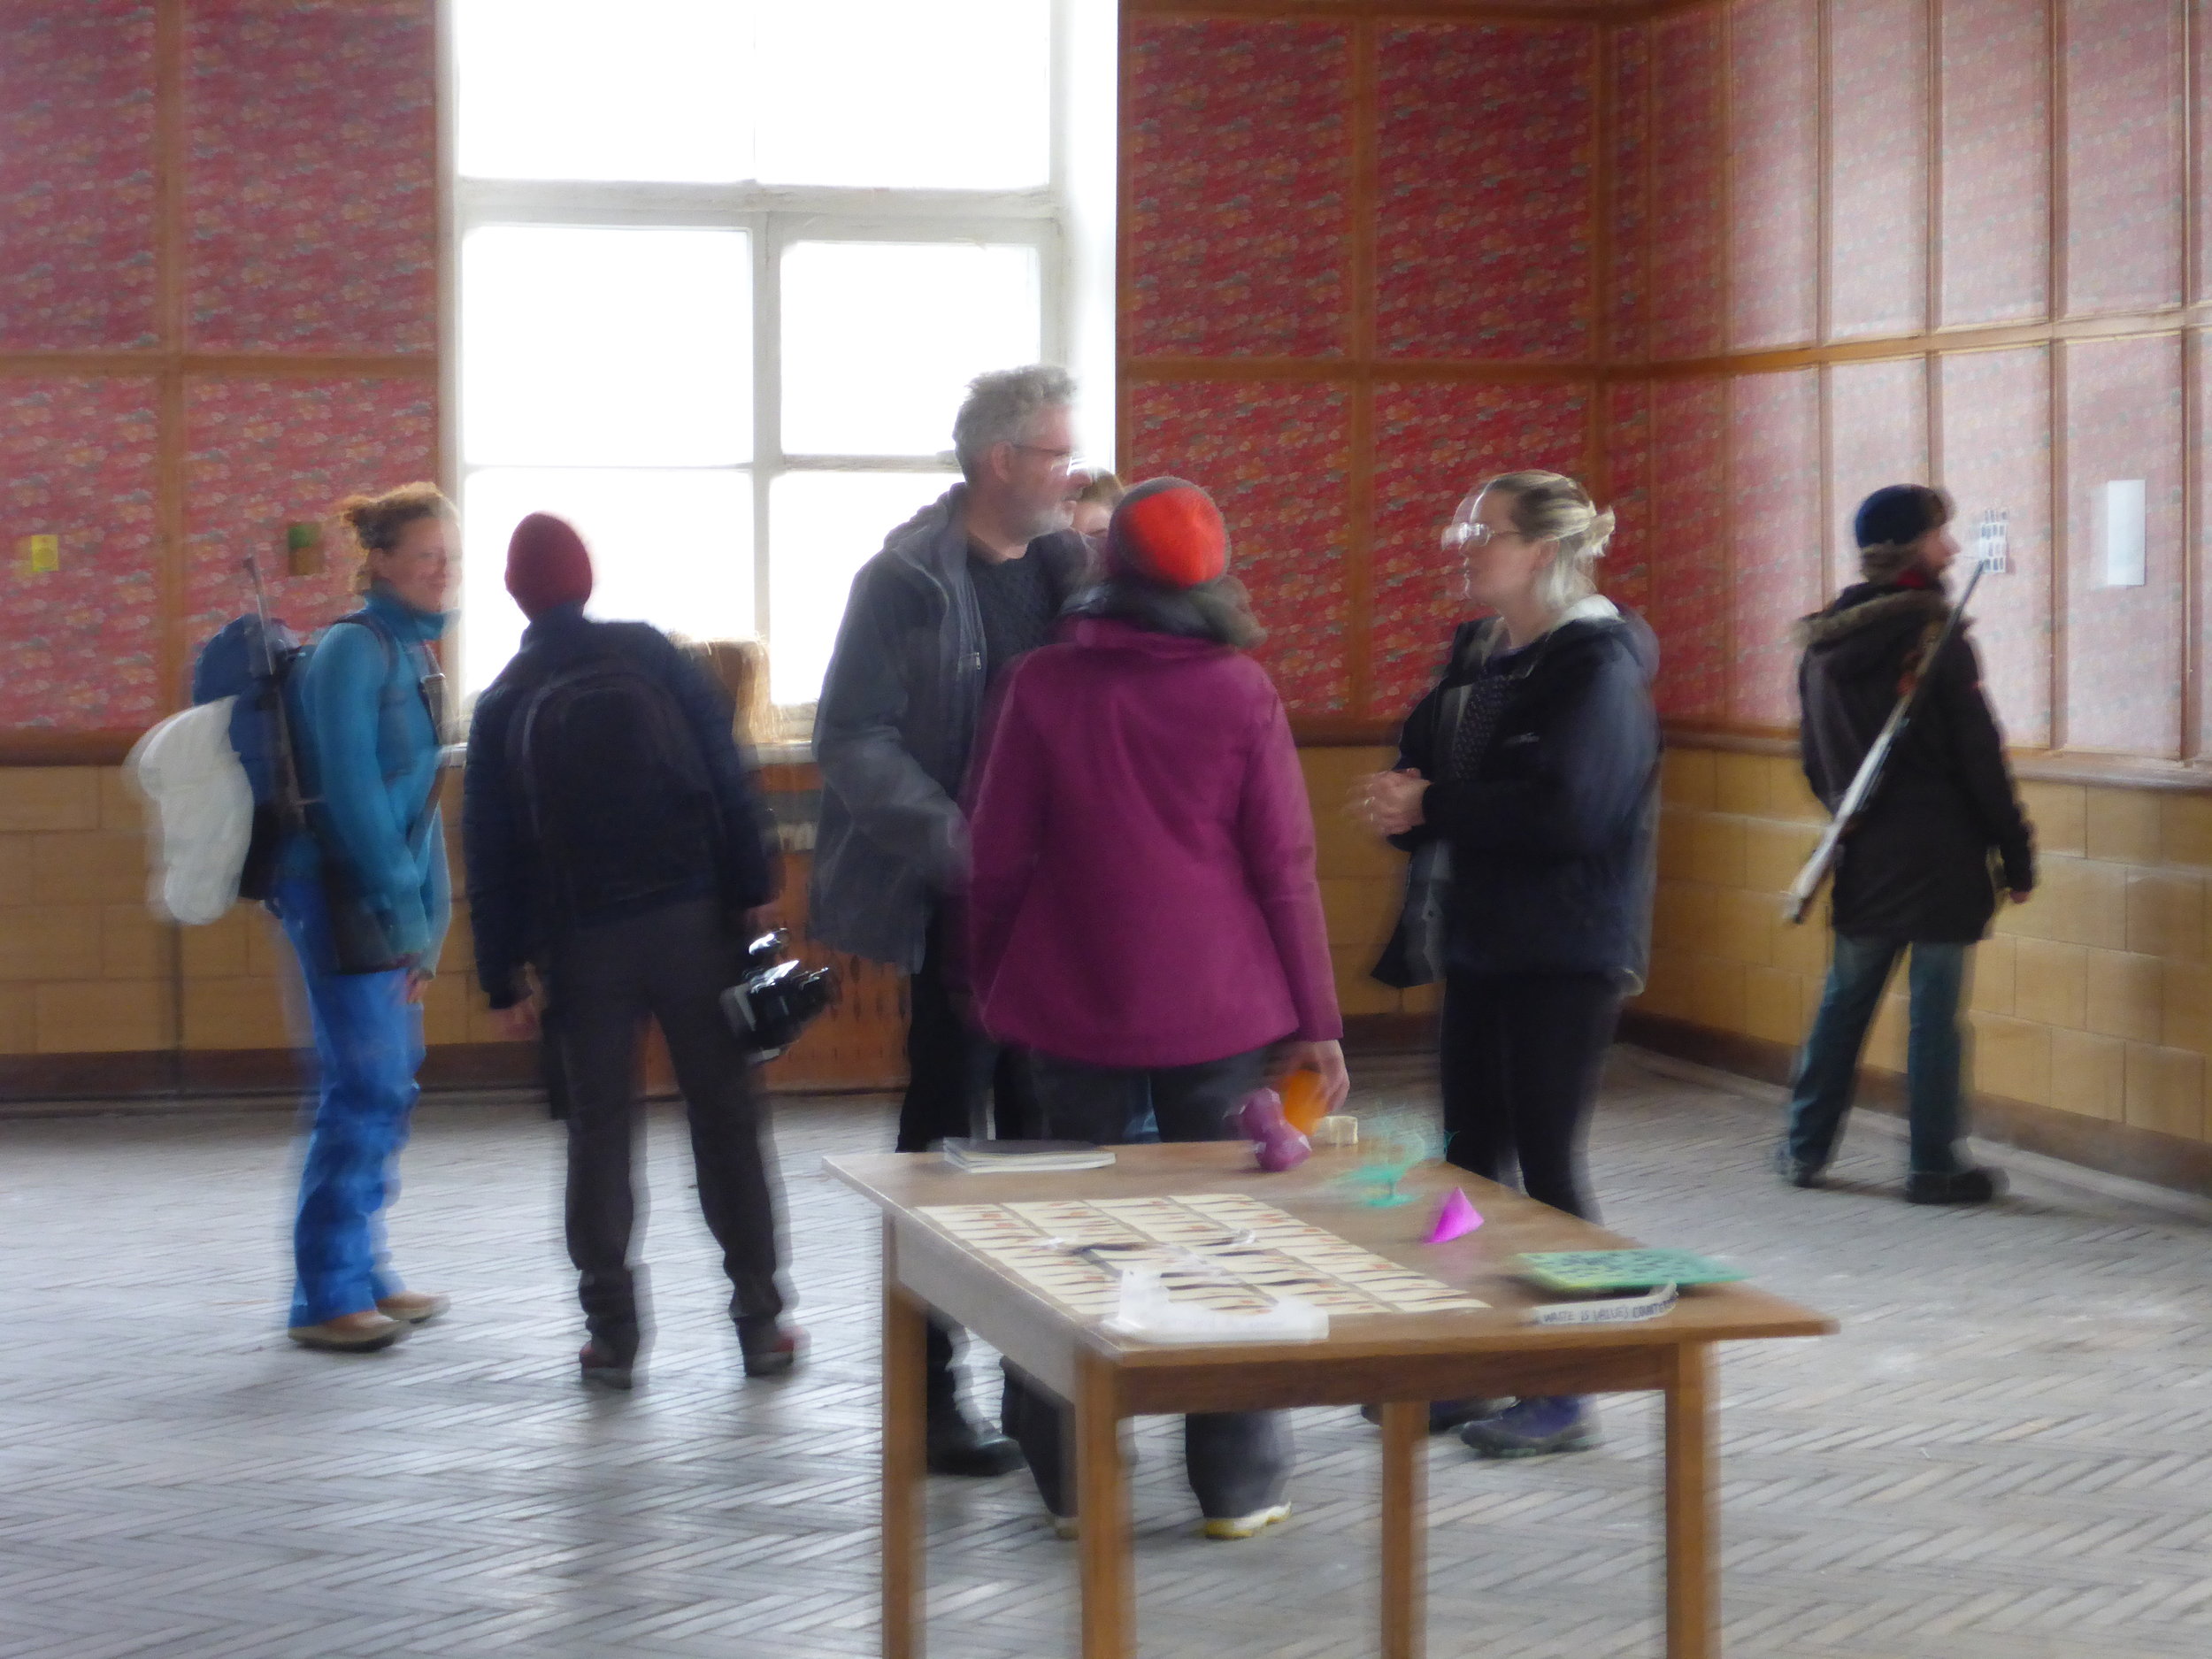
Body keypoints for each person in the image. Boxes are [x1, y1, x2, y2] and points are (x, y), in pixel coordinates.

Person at [968, 477, 1348, 1540]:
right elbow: (1284, 865)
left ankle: (1073, 1483)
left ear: (1106, 569)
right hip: (1218, 1008)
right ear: (1212, 577)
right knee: (1225, 1240)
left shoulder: (1041, 684)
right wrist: (1317, 1019)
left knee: (1063, 1244)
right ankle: (1237, 1486)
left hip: (1067, 998)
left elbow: (996, 858)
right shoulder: (1240, 692)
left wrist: (992, 976)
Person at [810, 365, 1093, 1476]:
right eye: (1057, 455)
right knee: (942, 1150)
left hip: (1054, 913)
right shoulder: (904, 581)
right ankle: (928, 1399)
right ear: (997, 464)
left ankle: (1041, 1398)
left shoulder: (1072, 569)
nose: (1072, 475)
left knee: (1046, 1152)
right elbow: (851, 738)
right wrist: (961, 844)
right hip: (959, 913)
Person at [1360, 470, 1658, 1458]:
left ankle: (1567, 1383)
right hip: (1482, 937)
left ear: (1541, 552)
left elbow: (1573, 812)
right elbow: (1439, 759)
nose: (1464, 544)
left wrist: (1436, 806)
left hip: (1566, 949)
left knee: (1542, 1170)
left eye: (1484, 530)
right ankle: (1468, 1362)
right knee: (1463, 1164)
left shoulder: (1596, 664)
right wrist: (1413, 799)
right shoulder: (1485, 653)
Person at [463, 513, 796, 1390]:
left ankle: (613, 1336)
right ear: (587, 577)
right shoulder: (651, 655)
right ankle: (761, 1321)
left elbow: (491, 854)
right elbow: (726, 767)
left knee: (598, 1137)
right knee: (726, 1123)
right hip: (694, 924)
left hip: (584, 945)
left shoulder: (504, 698)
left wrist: (503, 975)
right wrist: (752, 875)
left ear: (514, 594)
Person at [1778, 484, 2034, 1204]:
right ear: (1910, 547)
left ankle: (1803, 1147)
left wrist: (1850, 814)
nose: (1952, 548)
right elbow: (1981, 759)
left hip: (1864, 851)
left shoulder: (1822, 642)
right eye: (1939, 533)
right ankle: (1934, 1164)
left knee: (1843, 1004)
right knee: (1934, 1019)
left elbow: (1812, 758)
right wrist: (2017, 854)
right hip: (1943, 857)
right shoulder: (1933, 638)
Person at [274, 483, 456, 1353]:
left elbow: (420, 796)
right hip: (340, 893)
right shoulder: (353, 650)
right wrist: (402, 906)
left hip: (389, 901)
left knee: (393, 1081)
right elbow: (351, 795)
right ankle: (325, 1292)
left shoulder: (415, 651)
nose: (442, 571)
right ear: (379, 561)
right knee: (364, 1085)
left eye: (449, 555)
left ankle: (366, 1268)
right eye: (425, 556)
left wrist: (436, 914)